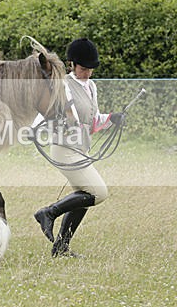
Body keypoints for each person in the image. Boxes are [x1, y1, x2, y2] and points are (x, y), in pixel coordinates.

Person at [33, 38, 124, 257]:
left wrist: (112, 118)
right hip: (64, 149)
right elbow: (43, 115)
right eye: (83, 68)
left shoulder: (91, 87)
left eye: (90, 69)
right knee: (98, 192)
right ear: (72, 64)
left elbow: (92, 122)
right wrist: (36, 129)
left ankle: (61, 247)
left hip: (81, 149)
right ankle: (47, 212)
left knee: (82, 197)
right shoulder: (63, 84)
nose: (87, 73)